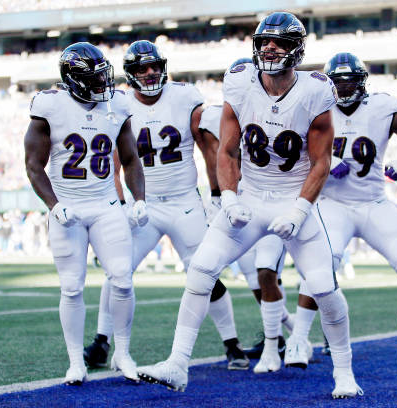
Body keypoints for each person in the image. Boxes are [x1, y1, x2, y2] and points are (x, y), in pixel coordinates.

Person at [138, 12, 362, 398]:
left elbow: (322, 161)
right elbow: (226, 149)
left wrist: (300, 210)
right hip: (252, 198)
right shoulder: (240, 83)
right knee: (201, 267)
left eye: (281, 42)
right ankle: (177, 364)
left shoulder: (315, 90)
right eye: (265, 41)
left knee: (323, 286)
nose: (271, 48)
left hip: (295, 200)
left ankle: (344, 373)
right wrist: (228, 197)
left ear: (298, 49)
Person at [284, 52, 397, 375]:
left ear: (362, 82)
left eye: (350, 80)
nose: (344, 87)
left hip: (373, 203)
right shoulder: (315, 108)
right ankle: (298, 339)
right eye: (337, 82)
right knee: (321, 266)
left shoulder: (382, 107)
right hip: (332, 205)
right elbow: (287, 148)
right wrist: (320, 160)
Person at [82, 40, 248, 371]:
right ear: (130, 74)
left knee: (205, 271)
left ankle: (232, 344)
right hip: (144, 206)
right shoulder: (117, 103)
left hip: (184, 202)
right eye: (143, 68)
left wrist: (217, 194)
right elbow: (114, 162)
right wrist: (120, 205)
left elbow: (208, 146)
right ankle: (102, 341)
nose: (150, 72)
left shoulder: (185, 96)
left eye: (155, 66)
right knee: (118, 270)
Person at [24, 42, 148, 385]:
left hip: (107, 205)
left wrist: (138, 199)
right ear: (73, 78)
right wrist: (54, 205)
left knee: (122, 277)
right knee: (71, 288)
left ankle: (122, 353)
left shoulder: (118, 105)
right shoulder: (49, 105)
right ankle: (75, 361)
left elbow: (131, 159)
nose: (102, 84)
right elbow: (34, 166)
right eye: (93, 78)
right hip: (69, 208)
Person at [198, 94, 296, 363]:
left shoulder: (273, 115)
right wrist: (219, 196)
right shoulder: (214, 115)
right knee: (253, 278)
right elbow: (216, 155)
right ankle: (288, 332)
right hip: (231, 200)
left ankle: (290, 337)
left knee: (268, 272)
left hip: (267, 198)